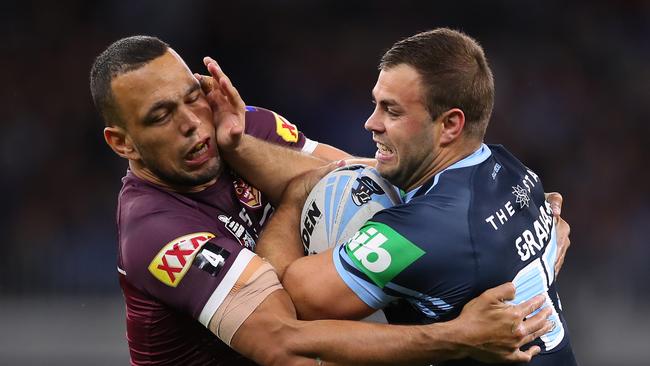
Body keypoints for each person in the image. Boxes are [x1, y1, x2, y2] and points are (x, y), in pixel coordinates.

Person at [90, 35, 558, 365]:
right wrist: (458, 336)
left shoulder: (241, 126)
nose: (193, 122)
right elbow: (291, 342)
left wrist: (522, 237)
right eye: (161, 116)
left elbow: (365, 178)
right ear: (122, 143)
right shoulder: (156, 231)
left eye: (193, 97)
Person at [212, 29, 576, 365]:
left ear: (450, 125)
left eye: (392, 110)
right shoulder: (508, 167)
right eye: (376, 104)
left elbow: (293, 298)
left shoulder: (423, 231)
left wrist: (295, 198)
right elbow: (347, 167)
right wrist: (238, 146)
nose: (371, 122)